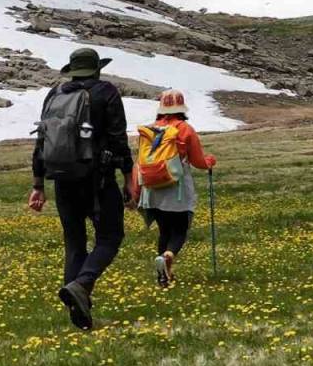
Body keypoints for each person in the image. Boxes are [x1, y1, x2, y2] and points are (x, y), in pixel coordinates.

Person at [28, 48, 132, 330]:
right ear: (97, 69)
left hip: (63, 179)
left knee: (75, 244)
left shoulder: (55, 95)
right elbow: (118, 139)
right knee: (110, 237)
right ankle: (82, 284)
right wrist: (128, 176)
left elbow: (42, 141)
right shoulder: (106, 92)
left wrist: (38, 184)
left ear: (72, 70)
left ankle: (79, 311)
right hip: (97, 179)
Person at [131, 90, 217, 287]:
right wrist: (210, 161)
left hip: (152, 188)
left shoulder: (150, 130)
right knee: (179, 230)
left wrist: (135, 191)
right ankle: (168, 256)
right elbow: (198, 162)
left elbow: (139, 162)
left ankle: (164, 274)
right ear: (181, 109)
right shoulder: (185, 129)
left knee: (164, 231)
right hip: (176, 189)